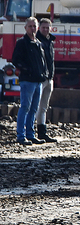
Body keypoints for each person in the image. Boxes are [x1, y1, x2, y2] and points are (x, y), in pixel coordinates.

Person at [12, 17, 48, 145]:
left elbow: (42, 61)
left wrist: (44, 73)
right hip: (27, 81)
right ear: (25, 27)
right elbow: (15, 60)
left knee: (34, 109)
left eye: (34, 26)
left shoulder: (38, 43)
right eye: (30, 26)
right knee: (25, 107)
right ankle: (21, 136)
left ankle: (30, 135)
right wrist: (28, 70)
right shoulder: (22, 42)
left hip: (38, 81)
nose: (32, 28)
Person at [36, 18, 57, 143]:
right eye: (43, 27)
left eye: (47, 27)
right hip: (40, 79)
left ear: (51, 28)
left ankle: (42, 133)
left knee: (44, 107)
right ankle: (29, 133)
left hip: (49, 78)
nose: (45, 29)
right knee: (34, 107)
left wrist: (51, 75)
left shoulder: (50, 41)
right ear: (39, 28)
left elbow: (51, 61)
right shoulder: (36, 41)